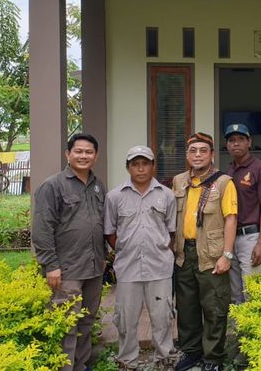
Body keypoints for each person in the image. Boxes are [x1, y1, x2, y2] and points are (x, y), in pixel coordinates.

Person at [32, 133, 106, 371]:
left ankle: (80, 365)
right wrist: (51, 265)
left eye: (89, 152)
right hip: (66, 269)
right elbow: (42, 228)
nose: (84, 156)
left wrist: (103, 256)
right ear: (68, 154)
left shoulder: (97, 185)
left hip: (94, 268)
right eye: (79, 151)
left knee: (86, 320)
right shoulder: (52, 185)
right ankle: (65, 367)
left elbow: (99, 223)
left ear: (96, 156)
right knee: (67, 324)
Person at [104, 146, 176, 369]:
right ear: (128, 168)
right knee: (125, 318)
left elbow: (171, 231)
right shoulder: (114, 196)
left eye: (145, 163)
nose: (141, 168)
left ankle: (164, 359)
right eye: (135, 164)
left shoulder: (167, 195)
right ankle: (128, 361)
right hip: (128, 268)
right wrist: (127, 249)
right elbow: (110, 232)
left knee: (162, 317)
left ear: (153, 166)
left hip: (160, 267)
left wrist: (157, 249)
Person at [171, 132, 237, 371]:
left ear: (211, 155)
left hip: (211, 254)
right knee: (186, 308)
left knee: (214, 308)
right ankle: (191, 352)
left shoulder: (224, 182)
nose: (197, 155)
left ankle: (213, 358)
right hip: (183, 253)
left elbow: (231, 219)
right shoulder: (179, 181)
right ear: (187, 155)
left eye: (203, 150)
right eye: (193, 151)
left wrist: (227, 255)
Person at [223, 123, 261, 304]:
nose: (236, 144)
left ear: (249, 142)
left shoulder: (260, 168)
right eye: (232, 140)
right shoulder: (228, 172)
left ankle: (253, 332)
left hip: (251, 238)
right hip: (231, 238)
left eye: (241, 139)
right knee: (235, 292)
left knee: (251, 291)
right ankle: (238, 332)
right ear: (227, 145)